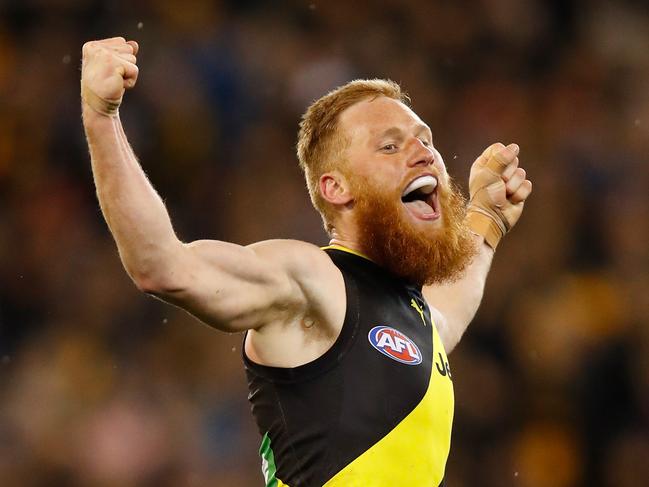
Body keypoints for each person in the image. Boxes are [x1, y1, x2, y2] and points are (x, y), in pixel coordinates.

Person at [81, 37, 532, 487]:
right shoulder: (310, 279)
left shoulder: (411, 315)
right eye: (390, 147)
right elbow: (163, 265)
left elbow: (448, 308)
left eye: (424, 141)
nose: (423, 153)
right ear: (336, 188)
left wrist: (486, 219)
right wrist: (102, 118)